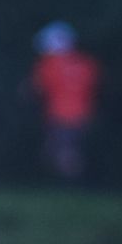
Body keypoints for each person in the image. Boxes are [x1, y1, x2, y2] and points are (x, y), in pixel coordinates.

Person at [31, 22, 100, 183]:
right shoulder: (86, 64)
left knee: (65, 152)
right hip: (83, 115)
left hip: (60, 114)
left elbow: (37, 88)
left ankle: (73, 184)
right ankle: (66, 182)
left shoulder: (49, 65)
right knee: (60, 150)